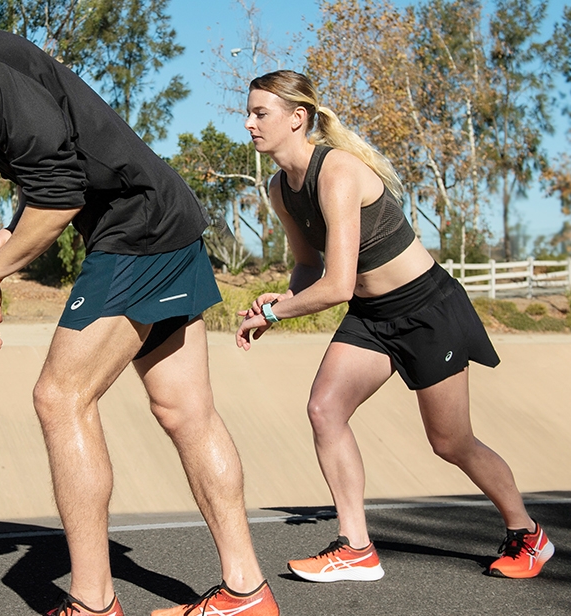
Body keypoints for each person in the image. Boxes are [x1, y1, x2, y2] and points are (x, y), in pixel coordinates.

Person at [0, 2, 279, 615]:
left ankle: (91, 602)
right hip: (161, 220)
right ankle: (246, 593)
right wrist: (6, 237)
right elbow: (47, 173)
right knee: (184, 411)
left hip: (136, 229)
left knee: (60, 398)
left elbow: (60, 195)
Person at [233, 70, 553, 582]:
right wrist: (287, 298)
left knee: (451, 442)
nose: (248, 123)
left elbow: (336, 285)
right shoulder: (279, 188)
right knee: (324, 409)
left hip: (428, 310)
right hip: (372, 316)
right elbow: (310, 266)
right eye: (247, 113)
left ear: (298, 119)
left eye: (259, 113)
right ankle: (355, 547)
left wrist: (275, 313)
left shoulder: (336, 171)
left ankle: (528, 535)